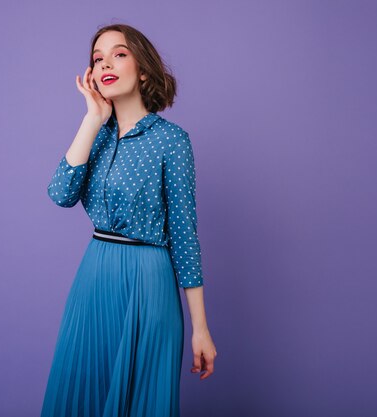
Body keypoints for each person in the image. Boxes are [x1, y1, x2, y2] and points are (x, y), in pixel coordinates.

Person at [40, 23, 217, 417]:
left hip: (148, 281)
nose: (106, 63)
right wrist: (92, 117)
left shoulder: (172, 140)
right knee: (82, 393)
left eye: (119, 54)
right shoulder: (96, 135)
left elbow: (185, 236)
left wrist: (200, 328)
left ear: (142, 70)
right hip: (94, 277)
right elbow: (60, 194)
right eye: (97, 58)